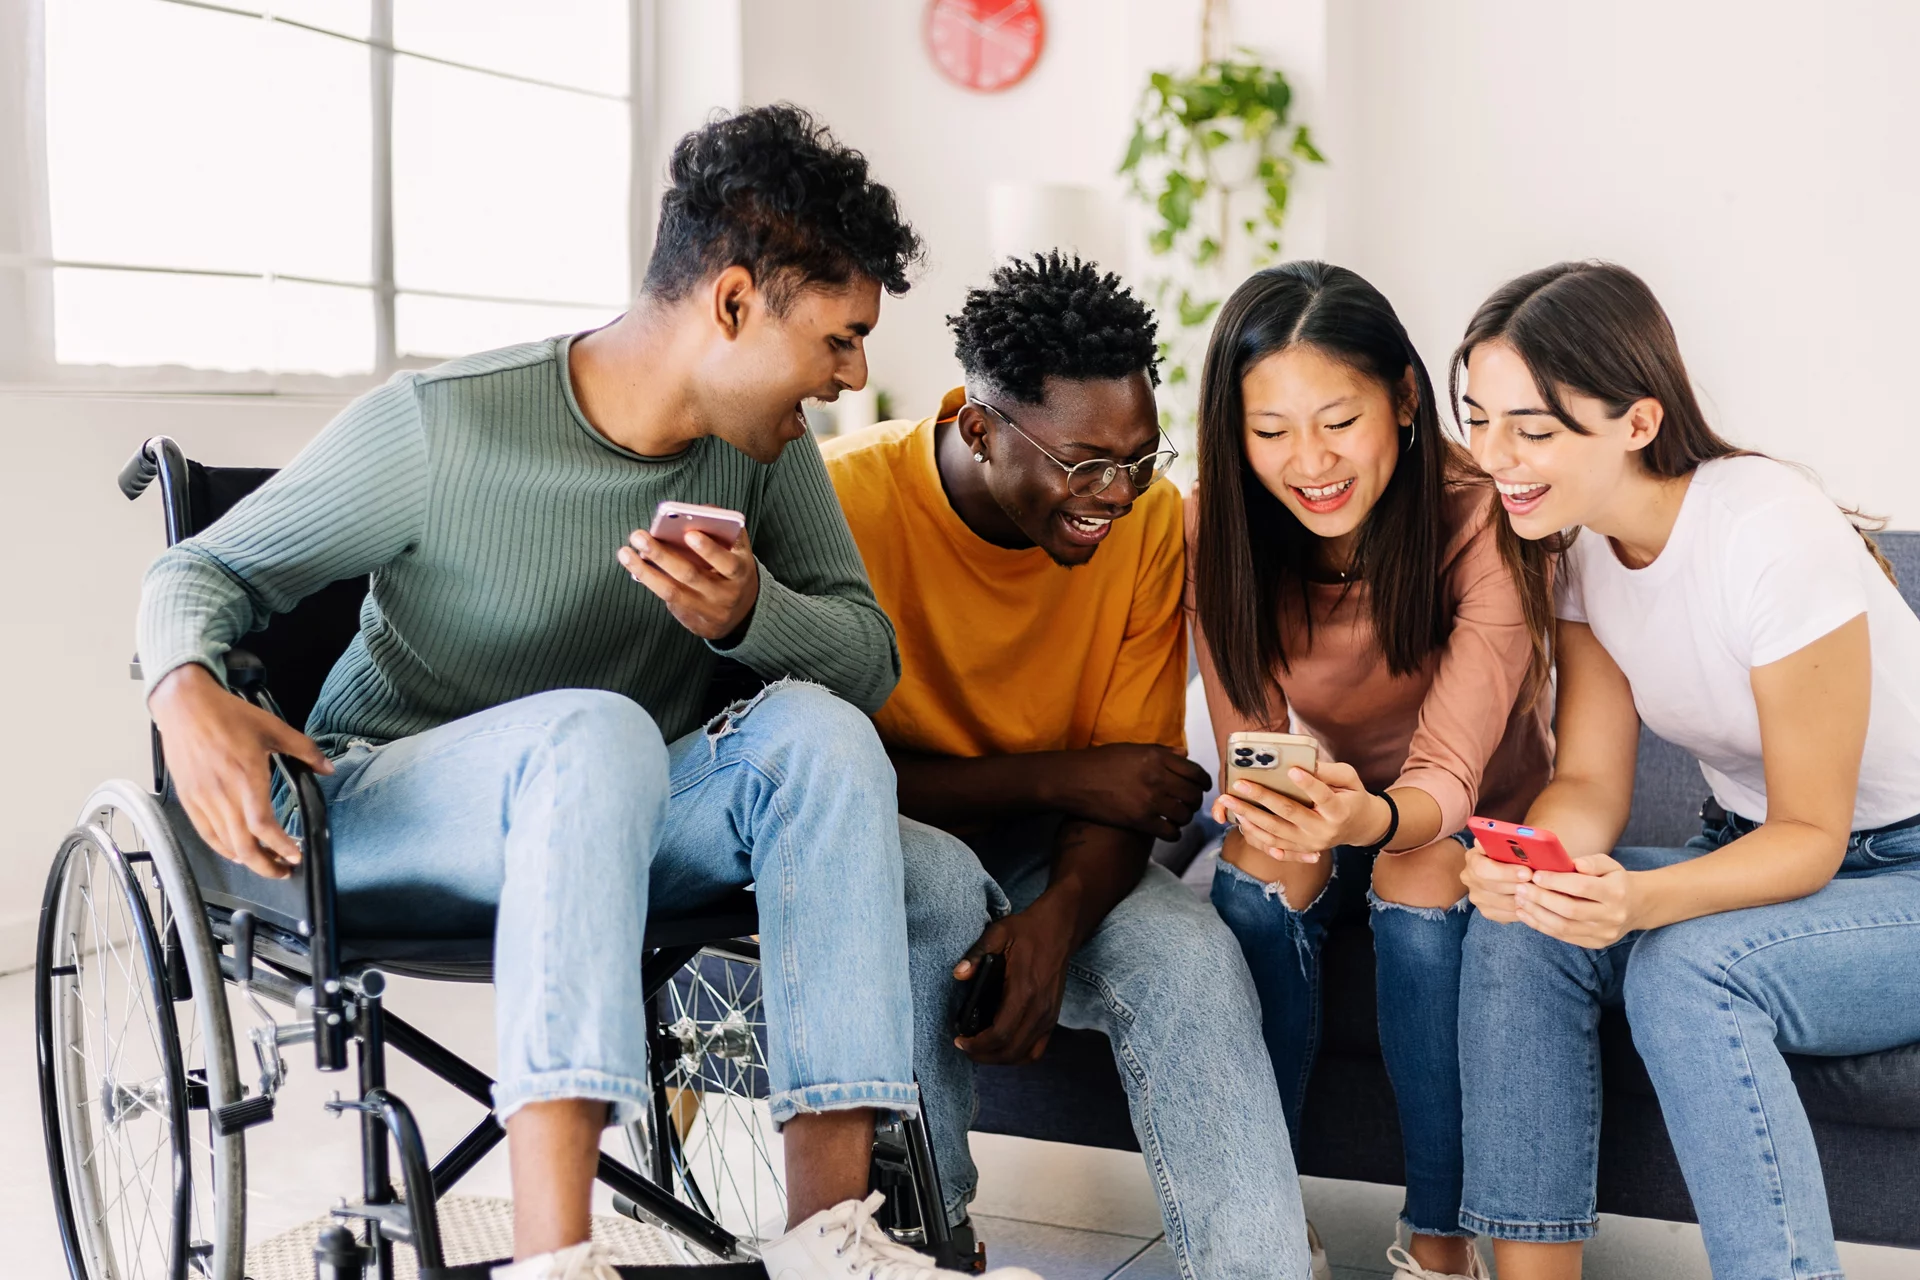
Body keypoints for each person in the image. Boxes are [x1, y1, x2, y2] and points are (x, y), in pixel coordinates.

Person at [138, 105, 1039, 1280]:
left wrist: (748, 612)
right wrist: (183, 687)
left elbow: (867, 663)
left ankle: (831, 1239)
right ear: (730, 304)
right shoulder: (443, 425)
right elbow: (199, 567)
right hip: (388, 807)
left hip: (619, 806)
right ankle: (553, 1256)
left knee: (815, 732)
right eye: (840, 337)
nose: (857, 373)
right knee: (596, 727)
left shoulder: (765, 456)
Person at [823, 252, 1314, 1280]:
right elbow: (824, 776)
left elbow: (1130, 788)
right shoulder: (843, 504)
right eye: (1086, 464)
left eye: (1139, 459)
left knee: (1193, 958)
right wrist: (1062, 775)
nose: (1117, 494)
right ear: (977, 426)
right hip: (882, 843)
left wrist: (1052, 927)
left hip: (1062, 858)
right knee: (937, 879)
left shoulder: (1143, 526)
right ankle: (931, 1244)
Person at [1454, 260, 1920, 1280]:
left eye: (1532, 429)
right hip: (1764, 857)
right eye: (1478, 417)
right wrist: (1535, 866)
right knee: (1522, 930)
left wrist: (1641, 899)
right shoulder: (1582, 559)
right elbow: (1590, 784)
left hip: (1896, 876)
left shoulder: (1767, 528)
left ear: (1636, 419)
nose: (1494, 455)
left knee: (1686, 967)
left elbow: (1809, 835)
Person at [1188, 262, 1551, 1280]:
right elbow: (1251, 741)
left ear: (1400, 395)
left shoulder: (1484, 516)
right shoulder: (1214, 524)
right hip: (1333, 804)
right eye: (1270, 433)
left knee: (1418, 872)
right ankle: (1266, 1223)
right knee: (1258, 868)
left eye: (1337, 419)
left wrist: (1367, 819)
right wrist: (1269, 796)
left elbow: (1446, 773)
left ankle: (1440, 1237)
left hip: (1459, 812)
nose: (1309, 461)